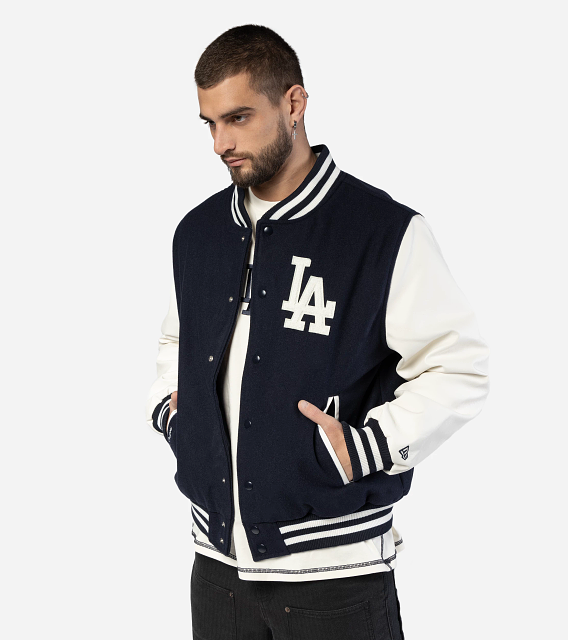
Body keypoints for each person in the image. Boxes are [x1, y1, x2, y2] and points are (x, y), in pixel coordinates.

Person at [146, 24, 490, 640]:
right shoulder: (198, 234)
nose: (221, 143)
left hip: (336, 577)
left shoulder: (381, 232)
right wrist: (176, 416)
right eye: (210, 124)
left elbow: (458, 367)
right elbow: (178, 340)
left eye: (239, 118)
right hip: (216, 570)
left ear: (294, 103)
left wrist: (364, 449)